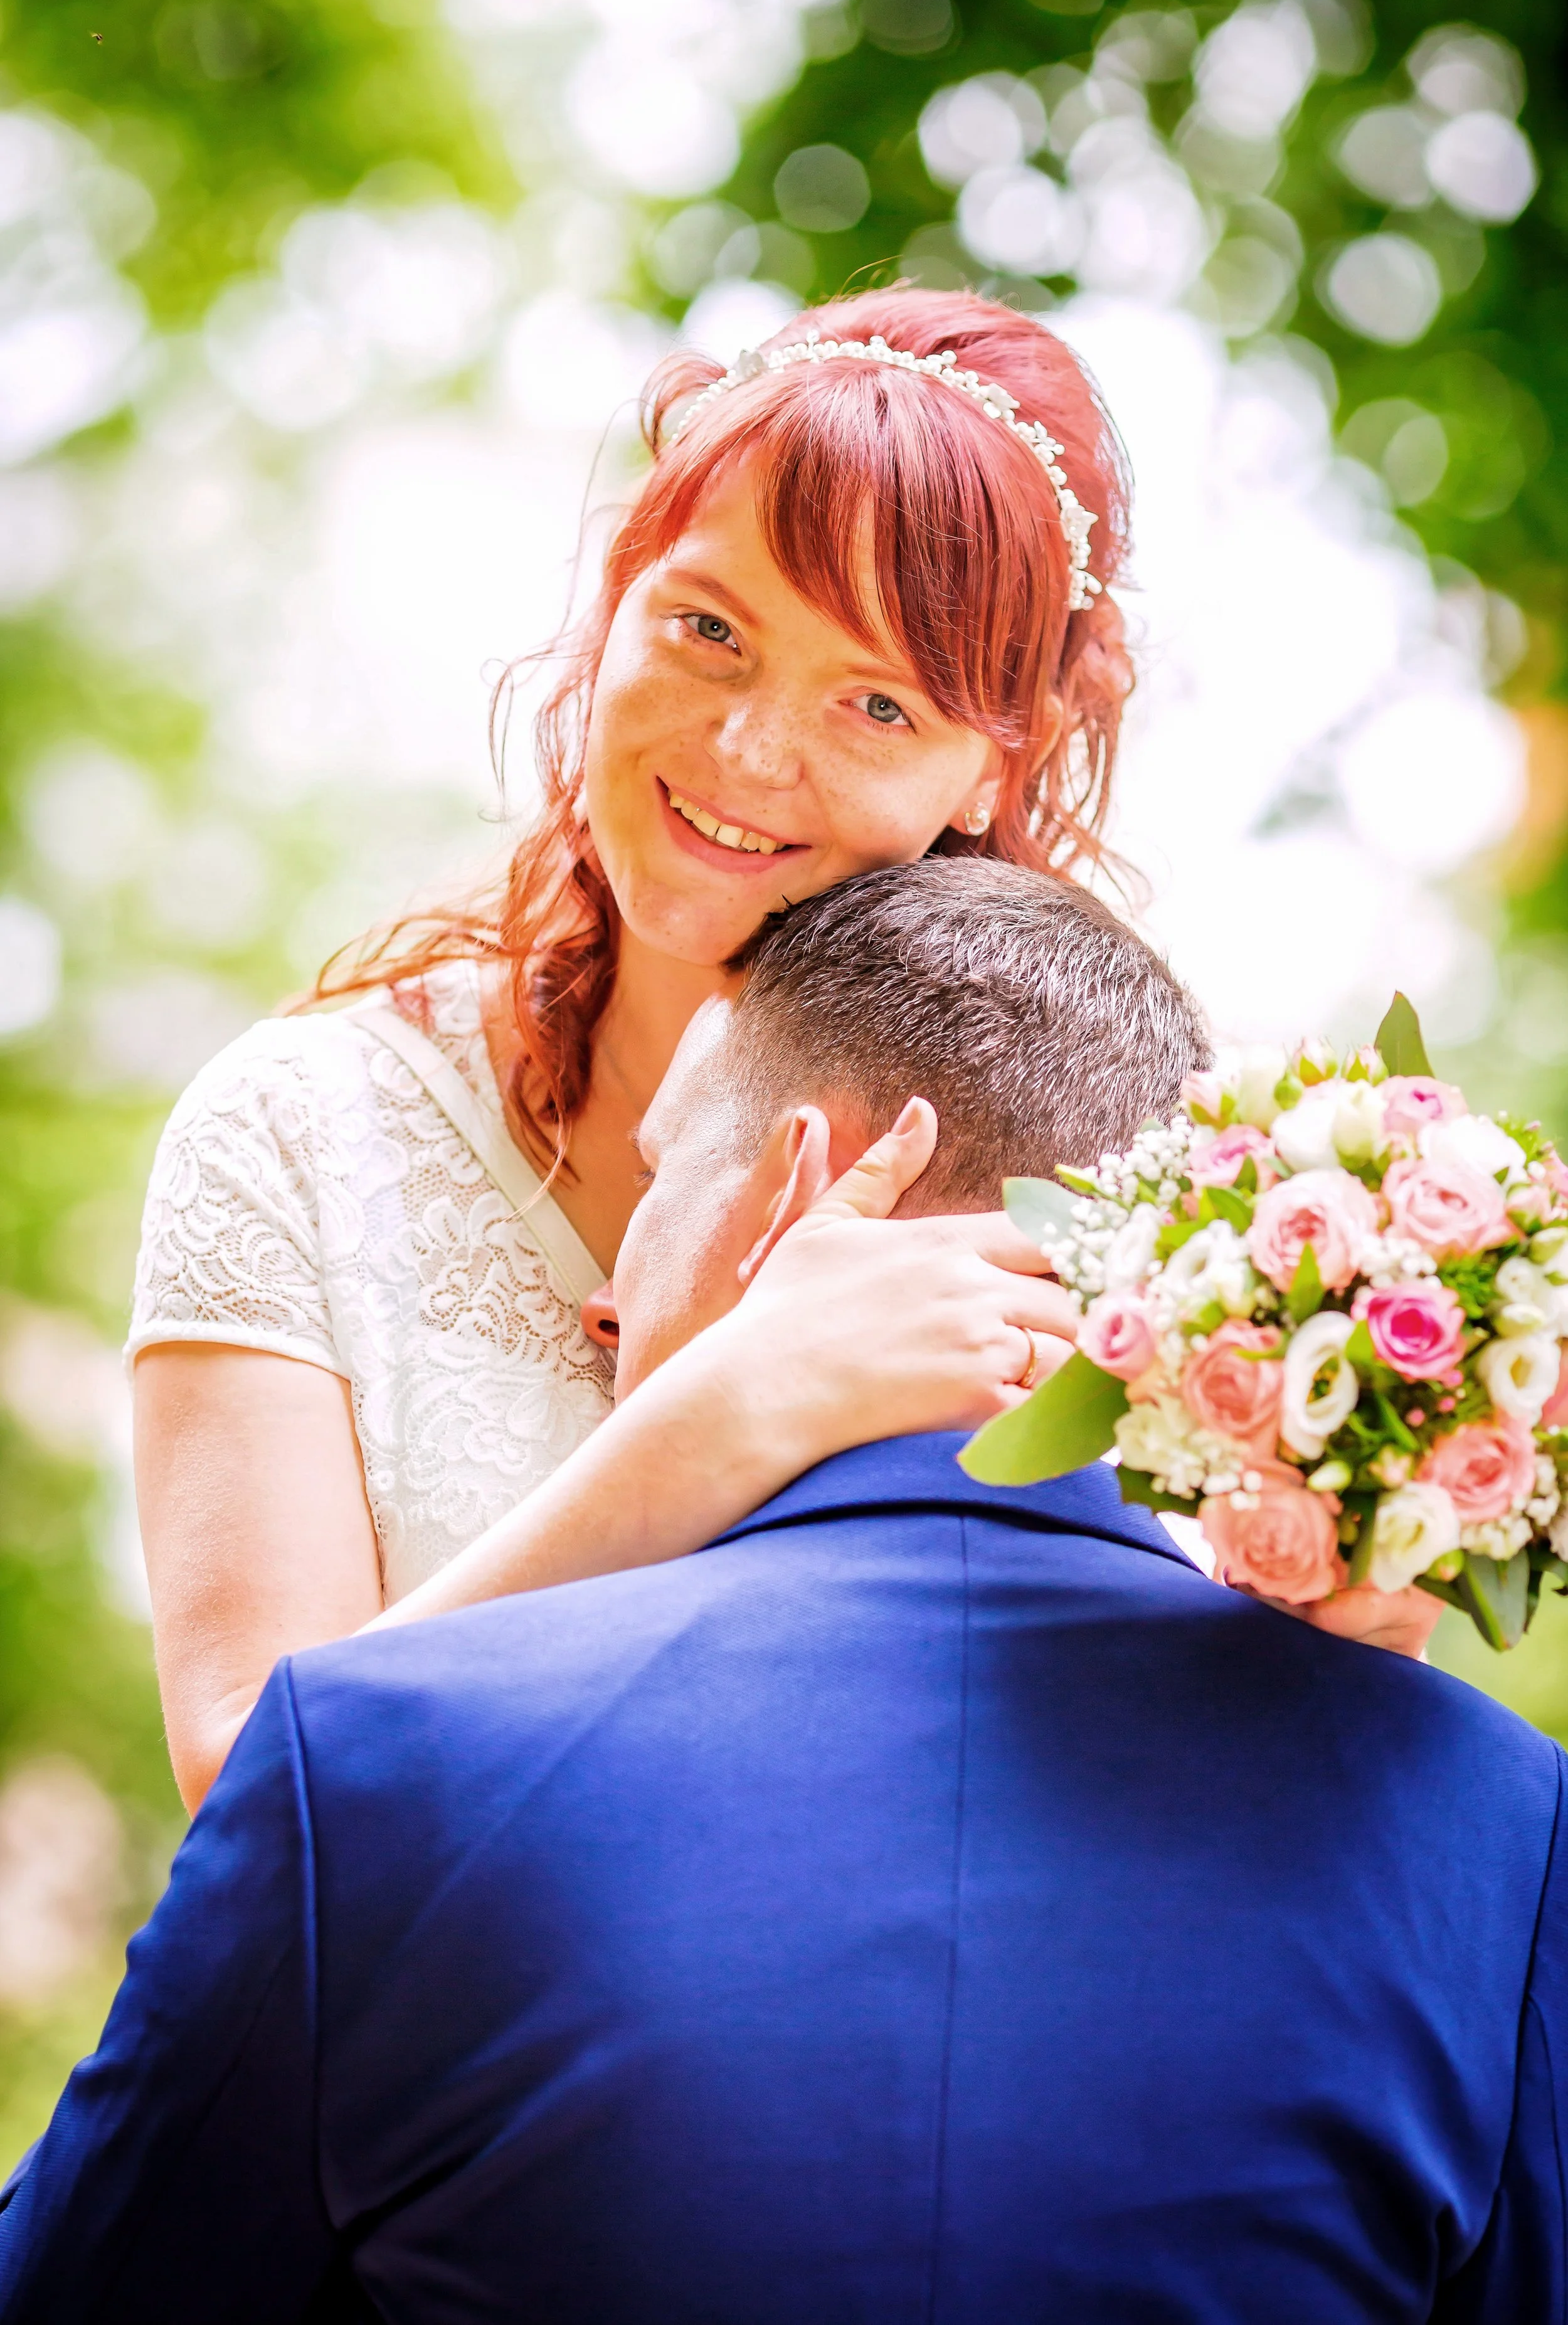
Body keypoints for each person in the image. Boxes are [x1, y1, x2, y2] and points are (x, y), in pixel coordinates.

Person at [3, 864, 1557, 2322]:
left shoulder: (374, 1765)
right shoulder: (1502, 1827)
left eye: (661, 1176)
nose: (607, 1300)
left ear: (787, 1189)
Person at [127, 289, 1133, 1811]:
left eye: (873, 702)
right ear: (615, 603)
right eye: (709, 628)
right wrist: (728, 1414)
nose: (744, 754)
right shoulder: (297, 1130)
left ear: (986, 766)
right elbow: (238, 1778)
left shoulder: (1088, 1180)